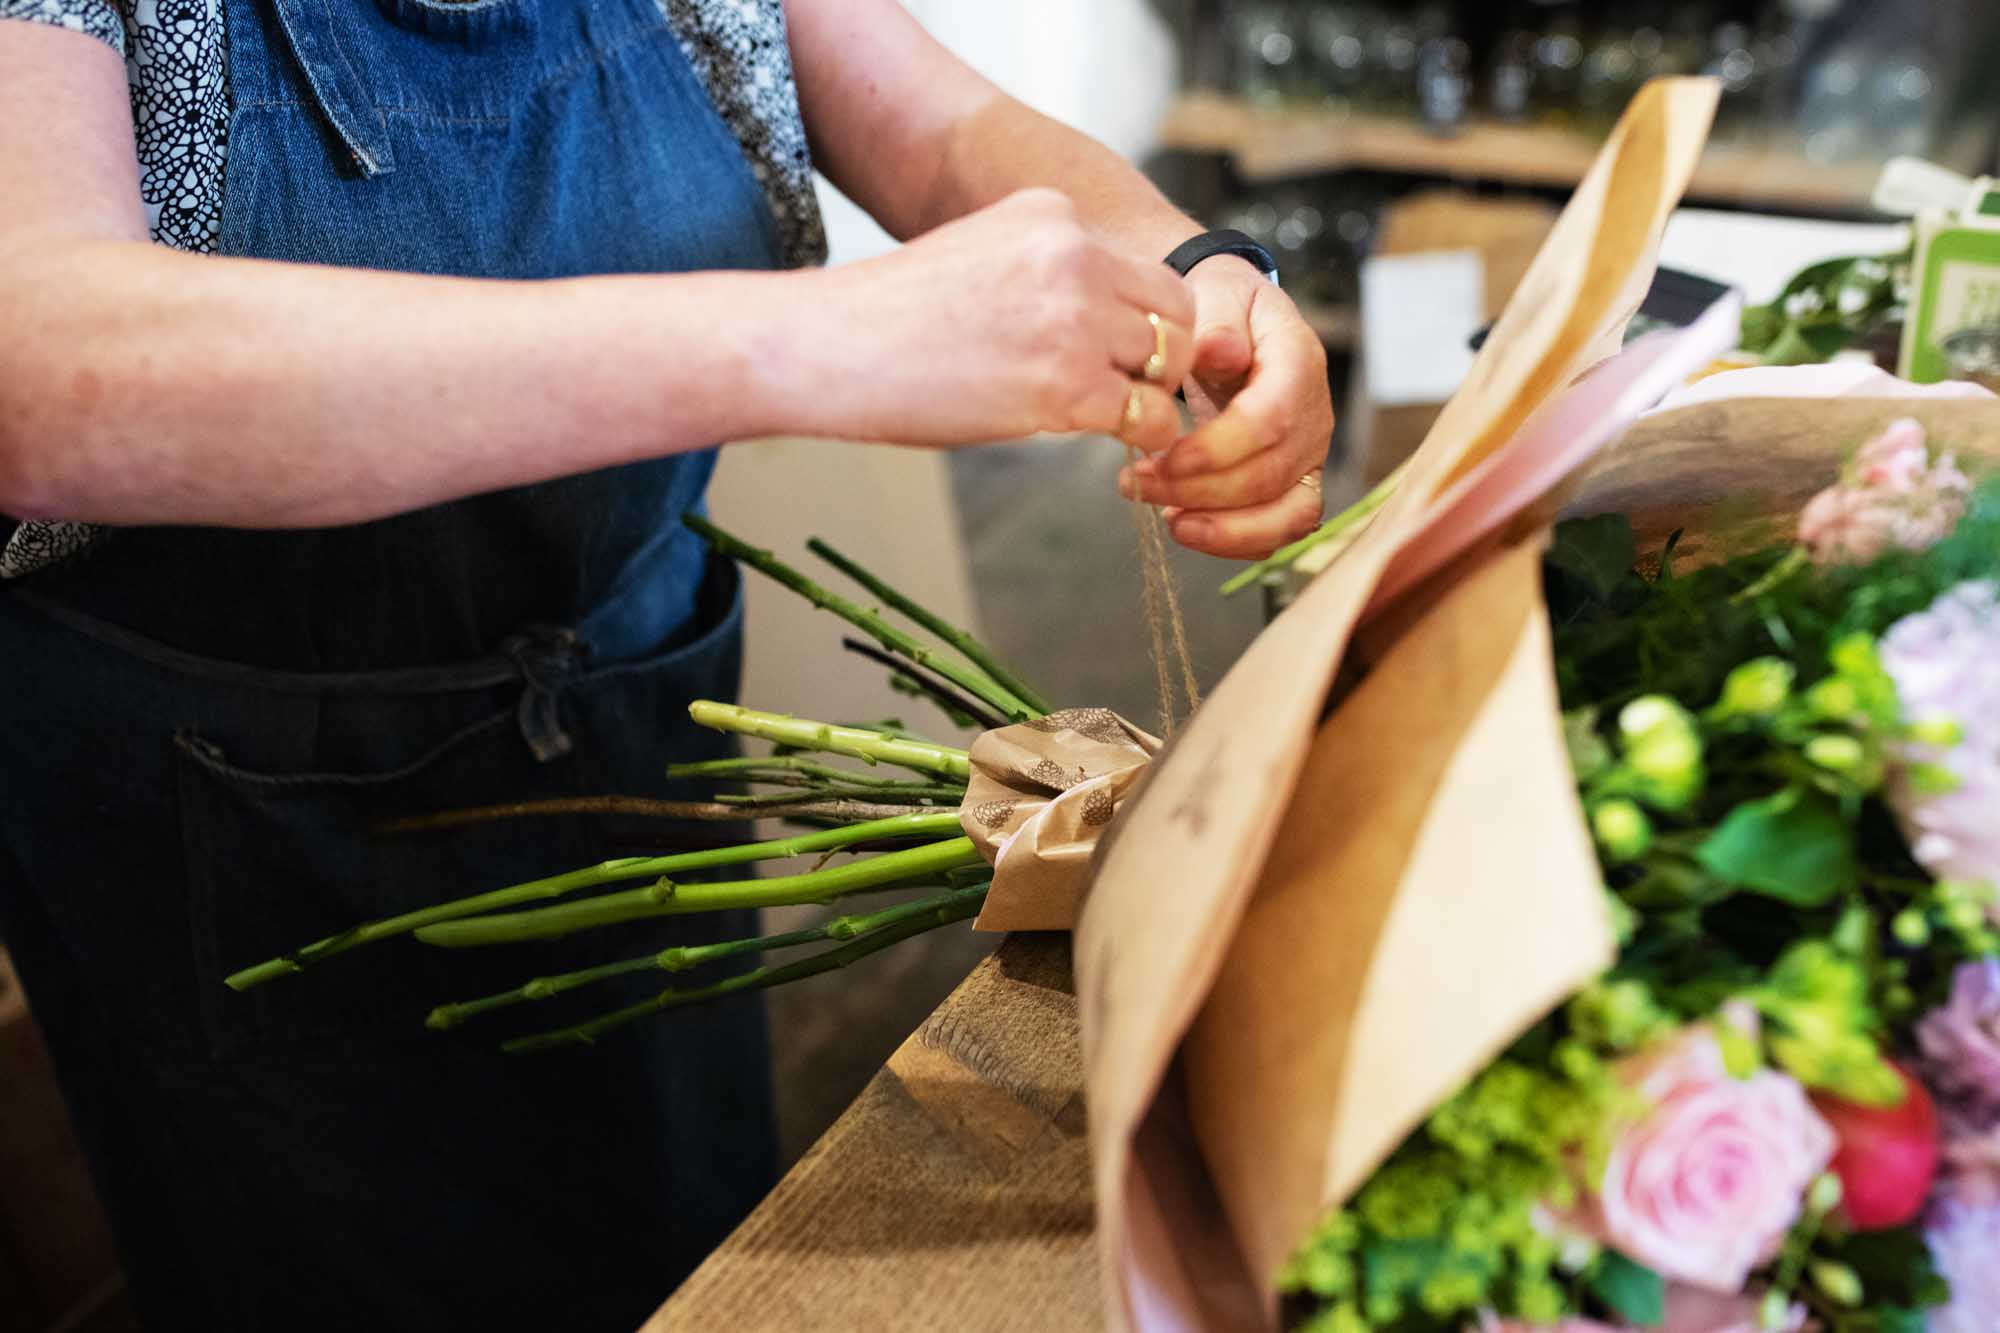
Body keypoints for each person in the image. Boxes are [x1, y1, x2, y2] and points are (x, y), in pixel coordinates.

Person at [0, 0, 1334, 1328]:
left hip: (631, 711)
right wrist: (806, 342)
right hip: (233, 819)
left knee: (689, 1246)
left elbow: (943, 128)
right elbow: (40, 358)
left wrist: (1202, 271)